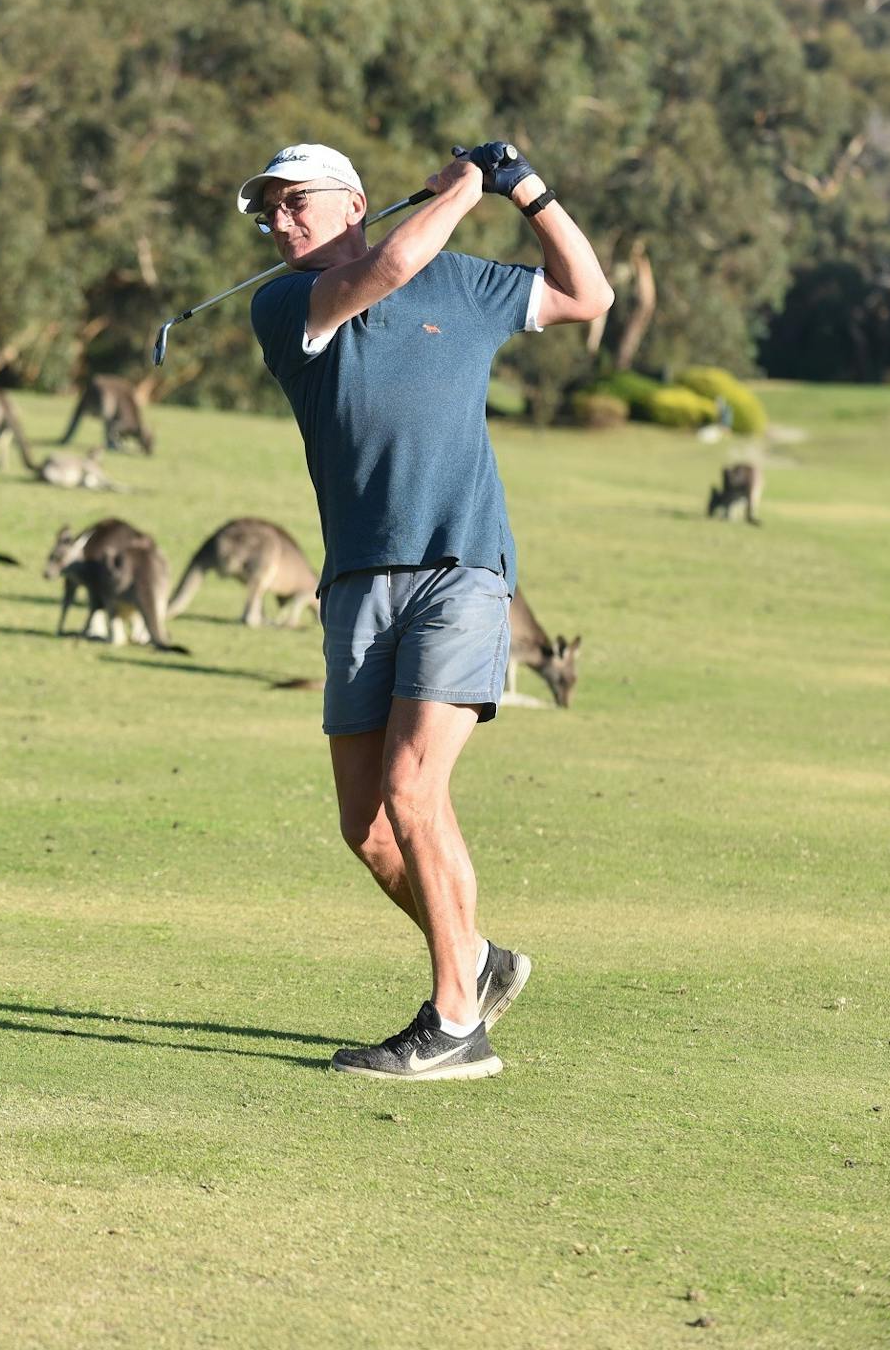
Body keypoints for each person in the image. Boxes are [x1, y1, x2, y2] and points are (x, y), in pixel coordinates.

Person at [239, 140, 613, 1080]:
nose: (279, 222)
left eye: (295, 204)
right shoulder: (285, 304)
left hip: (462, 567)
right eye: (268, 211)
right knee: (365, 824)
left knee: (414, 789)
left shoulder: (466, 285)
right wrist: (458, 190)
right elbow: (394, 262)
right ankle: (476, 962)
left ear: (352, 200)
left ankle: (454, 1025)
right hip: (358, 580)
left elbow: (588, 295)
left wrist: (529, 192)